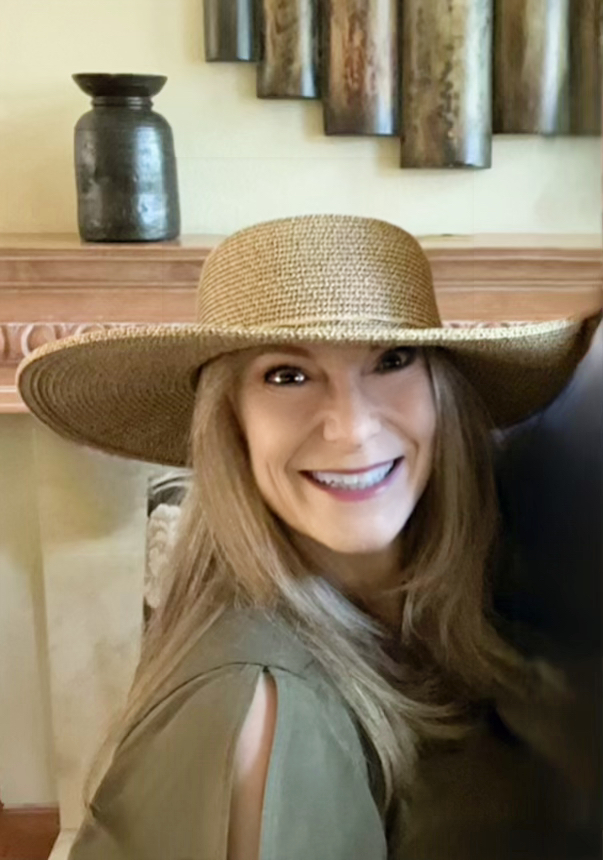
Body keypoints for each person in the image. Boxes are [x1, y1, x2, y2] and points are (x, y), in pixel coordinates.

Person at [17, 215, 601, 860]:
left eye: (392, 360)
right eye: (287, 375)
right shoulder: (261, 708)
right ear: (230, 422)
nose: (351, 428)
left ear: (443, 394)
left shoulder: (457, 593)